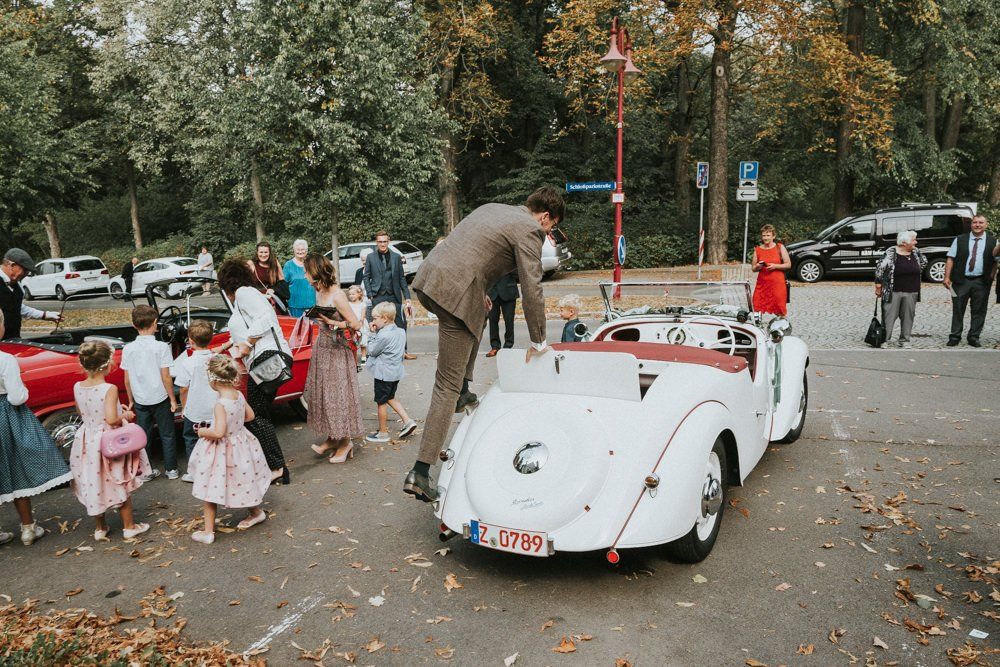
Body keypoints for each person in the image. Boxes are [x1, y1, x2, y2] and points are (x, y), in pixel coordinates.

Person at [404, 186, 562, 502]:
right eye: (551, 227)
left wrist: (479, 292)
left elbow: (470, 251)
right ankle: (420, 472)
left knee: (478, 311)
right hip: (455, 294)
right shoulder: (530, 230)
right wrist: (539, 341)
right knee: (444, 386)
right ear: (545, 217)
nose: (548, 234)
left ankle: (464, 390)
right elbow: (532, 289)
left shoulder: (493, 206)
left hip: (430, 279)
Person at [0, 310, 73, 546]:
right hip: (7, 416)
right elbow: (17, 397)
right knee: (18, 469)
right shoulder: (6, 360)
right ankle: (28, 528)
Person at [217, 259, 291, 484]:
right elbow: (245, 327)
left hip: (266, 357)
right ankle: (271, 465)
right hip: (262, 359)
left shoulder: (243, 293)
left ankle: (277, 468)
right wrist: (225, 346)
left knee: (255, 416)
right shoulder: (244, 297)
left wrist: (248, 343)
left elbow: (266, 319)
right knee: (259, 414)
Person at [71, 340, 152, 541]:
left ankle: (100, 527)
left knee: (94, 480)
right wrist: (126, 415)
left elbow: (82, 411)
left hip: (87, 440)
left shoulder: (78, 386)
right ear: (108, 364)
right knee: (119, 478)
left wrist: (116, 409)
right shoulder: (109, 388)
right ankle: (129, 526)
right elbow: (111, 419)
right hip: (108, 441)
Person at [188, 355, 271, 544]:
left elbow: (218, 433)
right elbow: (249, 416)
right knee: (243, 479)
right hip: (241, 444)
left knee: (210, 487)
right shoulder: (238, 395)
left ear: (214, 380)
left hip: (223, 449)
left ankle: (208, 531)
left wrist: (202, 431)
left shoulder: (220, 404)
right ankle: (256, 512)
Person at [302, 253, 363, 463]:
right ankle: (332, 437)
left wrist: (333, 322)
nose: (304, 275)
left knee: (338, 397)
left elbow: (355, 324)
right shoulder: (318, 290)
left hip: (338, 350)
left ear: (315, 272)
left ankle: (346, 443)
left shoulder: (337, 295)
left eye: (306, 271)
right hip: (323, 347)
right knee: (325, 396)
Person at [121, 305, 176, 480]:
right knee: (167, 434)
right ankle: (171, 469)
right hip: (160, 397)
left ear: (133, 324)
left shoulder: (128, 349)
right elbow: (166, 377)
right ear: (155, 323)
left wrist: (130, 399)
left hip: (140, 399)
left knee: (143, 435)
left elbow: (127, 379)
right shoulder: (161, 347)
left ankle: (146, 470)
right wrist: (173, 399)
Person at [364, 301, 418, 444]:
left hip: (383, 374)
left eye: (375, 318)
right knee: (390, 397)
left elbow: (372, 351)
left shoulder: (383, 335)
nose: (373, 321)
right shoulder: (401, 331)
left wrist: (371, 333)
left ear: (385, 318)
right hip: (396, 372)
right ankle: (408, 421)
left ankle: (382, 433)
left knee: (381, 402)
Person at [172, 320, 218, 483]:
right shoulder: (217, 359)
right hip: (215, 409)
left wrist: (184, 407)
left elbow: (183, 388)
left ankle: (195, 471)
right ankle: (216, 467)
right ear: (211, 338)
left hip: (195, 410)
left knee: (192, 438)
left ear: (190, 341)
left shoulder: (188, 363)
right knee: (215, 439)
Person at [944, 214, 997, 347]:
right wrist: (946, 277)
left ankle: (974, 336)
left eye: (980, 222)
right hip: (960, 280)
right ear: (971, 224)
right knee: (958, 308)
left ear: (986, 225)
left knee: (979, 310)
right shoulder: (960, 239)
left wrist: (991, 276)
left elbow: (996, 261)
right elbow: (951, 258)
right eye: (975, 222)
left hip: (982, 281)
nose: (977, 225)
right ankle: (955, 336)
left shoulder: (993, 241)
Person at [362, 231, 415, 360]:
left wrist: (407, 297)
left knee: (400, 324)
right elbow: (366, 276)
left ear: (388, 241)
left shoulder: (397, 257)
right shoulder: (371, 257)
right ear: (377, 242)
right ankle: (382, 353)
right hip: (378, 295)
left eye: (384, 241)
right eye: (380, 242)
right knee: (380, 325)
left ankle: (403, 351)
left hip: (394, 295)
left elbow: (402, 278)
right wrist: (370, 294)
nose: (382, 244)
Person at [874, 231, 927, 348]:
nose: (916, 242)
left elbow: (923, 263)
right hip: (893, 290)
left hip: (912, 289)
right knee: (889, 316)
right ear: (904, 243)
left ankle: (904, 340)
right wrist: (878, 286)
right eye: (913, 240)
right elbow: (879, 269)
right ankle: (885, 340)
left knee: (908, 316)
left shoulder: (916, 252)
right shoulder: (891, 252)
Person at [0, 248, 62, 340]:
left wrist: (45, 315)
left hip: (14, 340)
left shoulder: (18, 286)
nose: (26, 274)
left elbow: (17, 307)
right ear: (12, 265)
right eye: (24, 270)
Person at [751, 225, 791, 316]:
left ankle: (779, 328)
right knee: (757, 307)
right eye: (764, 235)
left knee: (779, 310)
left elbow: (788, 264)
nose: (765, 238)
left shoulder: (779, 247)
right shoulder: (758, 249)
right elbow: (753, 268)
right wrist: (758, 266)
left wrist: (775, 266)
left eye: (768, 235)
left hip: (777, 284)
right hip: (762, 284)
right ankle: (757, 329)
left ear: (773, 236)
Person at [247, 242, 289, 314]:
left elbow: (283, 284)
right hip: (258, 302)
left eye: (266, 252)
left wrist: (274, 289)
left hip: (273, 302)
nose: (263, 255)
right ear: (257, 253)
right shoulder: (251, 264)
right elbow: (244, 283)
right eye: (261, 252)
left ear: (269, 253)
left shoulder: (275, 263)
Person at [485, 271, 519, 357]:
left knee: (509, 320)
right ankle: (495, 346)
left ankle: (508, 346)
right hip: (492, 293)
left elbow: (518, 271)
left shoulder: (511, 257)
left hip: (509, 290)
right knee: (492, 321)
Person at [283, 239, 316, 317]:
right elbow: (283, 284)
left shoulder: (311, 263)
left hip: (311, 304)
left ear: (307, 250)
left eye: (303, 249)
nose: (300, 252)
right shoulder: (288, 265)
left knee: (312, 327)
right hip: (295, 305)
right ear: (294, 250)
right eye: (298, 249)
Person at [347, 285, 369, 365]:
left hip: (360, 324)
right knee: (353, 342)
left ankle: (363, 357)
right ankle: (354, 359)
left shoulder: (362, 304)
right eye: (350, 294)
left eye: (353, 294)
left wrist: (360, 324)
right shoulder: (348, 304)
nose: (351, 296)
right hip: (352, 324)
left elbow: (363, 316)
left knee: (363, 342)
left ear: (359, 294)